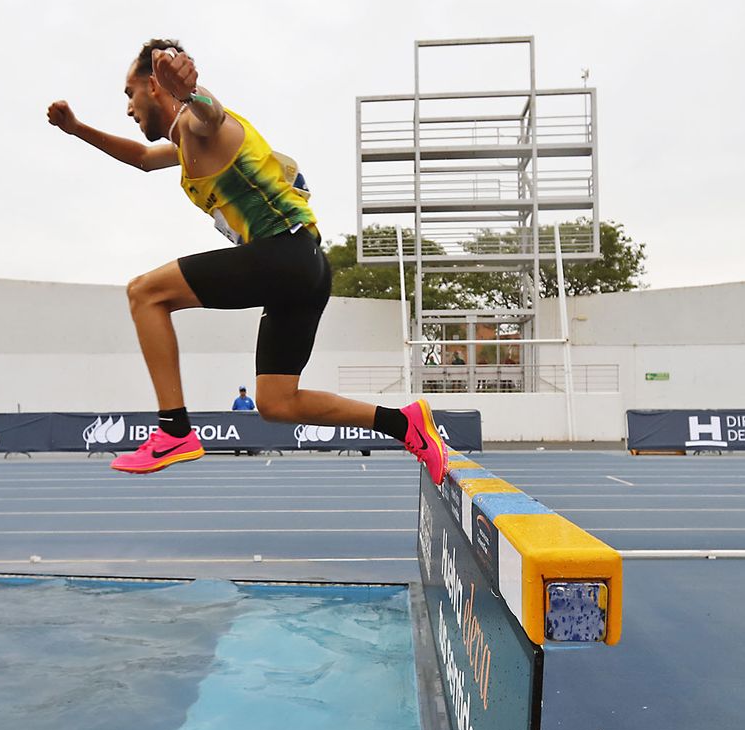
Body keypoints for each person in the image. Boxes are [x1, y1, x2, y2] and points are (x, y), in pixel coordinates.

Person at [46, 38, 447, 482]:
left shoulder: (203, 127)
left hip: (287, 254)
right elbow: (141, 158)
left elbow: (211, 113)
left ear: (154, 86)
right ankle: (404, 422)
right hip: (301, 270)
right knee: (277, 403)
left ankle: (174, 430)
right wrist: (77, 129)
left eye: (129, 94)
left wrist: (190, 92)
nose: (127, 108)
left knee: (146, 293)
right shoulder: (183, 147)